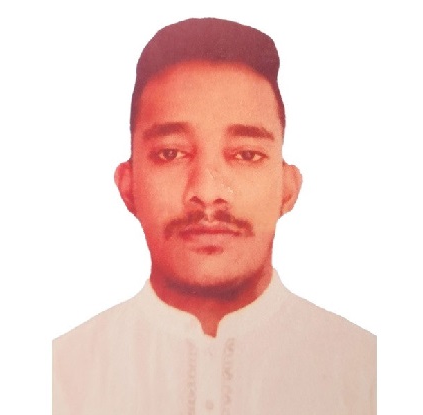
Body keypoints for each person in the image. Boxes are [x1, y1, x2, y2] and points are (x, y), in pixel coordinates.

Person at [53, 17, 376, 414]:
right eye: (171, 153)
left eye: (246, 155)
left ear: (287, 187)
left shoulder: (367, 374)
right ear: (128, 184)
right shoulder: (61, 378)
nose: (207, 192)